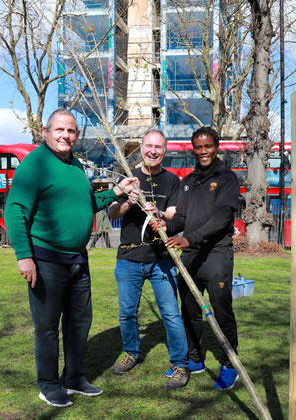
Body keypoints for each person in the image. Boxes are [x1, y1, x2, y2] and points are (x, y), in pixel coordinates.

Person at [4, 108, 139, 408]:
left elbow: (87, 202)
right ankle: (49, 384)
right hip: (46, 260)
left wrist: (117, 191)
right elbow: (14, 210)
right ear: (46, 131)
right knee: (48, 326)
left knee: (79, 322)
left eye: (71, 131)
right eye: (60, 130)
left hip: (78, 261)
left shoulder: (75, 165)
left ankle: (74, 377)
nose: (66, 136)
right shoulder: (34, 164)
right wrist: (24, 256)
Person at [151, 126, 241, 390]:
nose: (204, 151)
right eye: (199, 147)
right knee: (189, 310)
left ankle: (228, 364)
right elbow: (180, 218)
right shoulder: (188, 181)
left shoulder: (227, 178)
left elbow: (222, 218)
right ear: (193, 148)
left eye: (208, 146)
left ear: (217, 146)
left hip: (216, 255)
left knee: (222, 312)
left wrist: (191, 238)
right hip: (190, 257)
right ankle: (195, 360)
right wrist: (163, 223)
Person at [108, 129, 190, 390]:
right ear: (141, 148)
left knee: (171, 313)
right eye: (149, 146)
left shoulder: (172, 181)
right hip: (129, 258)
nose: (153, 151)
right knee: (127, 313)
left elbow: (176, 218)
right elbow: (112, 212)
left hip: (160, 259)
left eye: (159, 147)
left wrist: (161, 214)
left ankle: (180, 364)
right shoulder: (127, 178)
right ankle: (131, 352)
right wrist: (129, 202)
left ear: (164, 151)